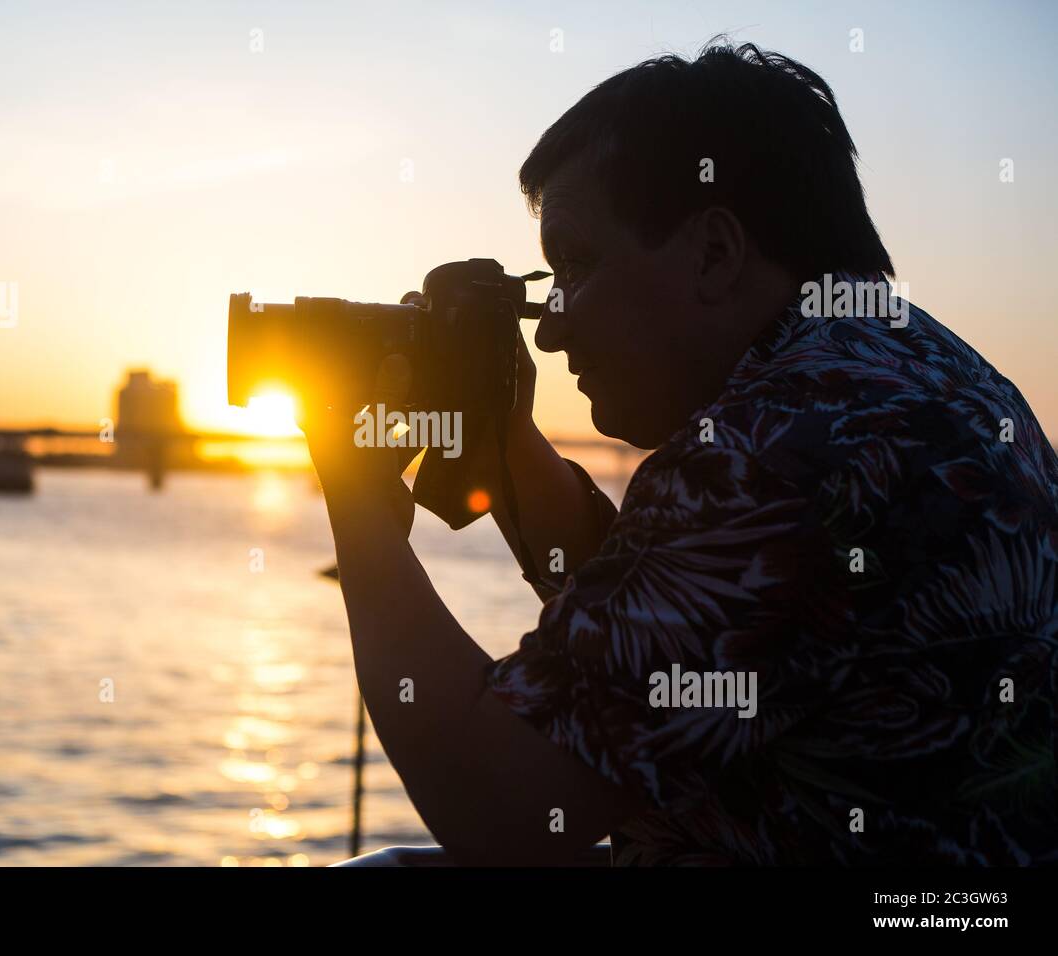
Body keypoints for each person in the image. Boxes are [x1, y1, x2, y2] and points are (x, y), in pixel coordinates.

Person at [304, 39, 1058, 866]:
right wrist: (505, 444)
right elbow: (677, 631)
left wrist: (358, 506)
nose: (550, 328)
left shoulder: (779, 447)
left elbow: (498, 798)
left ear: (713, 253)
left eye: (576, 268)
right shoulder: (919, 375)